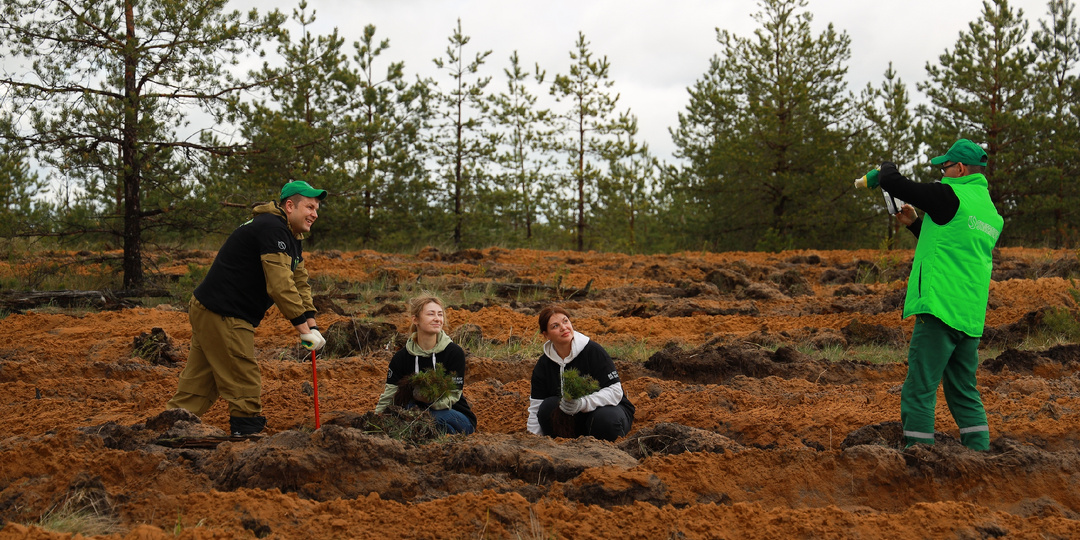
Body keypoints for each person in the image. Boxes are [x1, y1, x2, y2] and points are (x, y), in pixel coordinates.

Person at [166, 180, 328, 436]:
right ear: (289, 206)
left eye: (317, 209)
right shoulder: (272, 229)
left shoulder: (291, 236)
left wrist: (313, 325)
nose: (314, 214)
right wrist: (302, 329)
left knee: (200, 385)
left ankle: (167, 430)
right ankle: (247, 438)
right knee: (243, 378)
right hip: (225, 312)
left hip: (210, 308)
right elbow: (280, 285)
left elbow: (299, 282)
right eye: (309, 207)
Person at [875, 138, 1003, 451]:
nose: (941, 173)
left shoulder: (950, 193)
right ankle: (980, 454)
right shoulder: (988, 211)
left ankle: (918, 459)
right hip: (969, 316)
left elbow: (893, 182)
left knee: (920, 388)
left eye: (944, 167)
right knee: (964, 391)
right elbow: (955, 245)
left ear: (959, 168)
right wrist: (915, 225)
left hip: (940, 309)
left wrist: (883, 168)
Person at [527, 306, 634, 441]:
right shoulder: (543, 365)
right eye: (555, 326)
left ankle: (607, 450)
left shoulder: (593, 352)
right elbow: (536, 407)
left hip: (608, 411)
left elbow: (615, 392)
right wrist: (533, 441)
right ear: (546, 335)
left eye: (566, 321)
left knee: (605, 418)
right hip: (575, 420)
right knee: (548, 407)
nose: (563, 328)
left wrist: (582, 403)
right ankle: (565, 446)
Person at [374, 294, 477, 434]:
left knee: (427, 418)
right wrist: (376, 421)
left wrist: (424, 404)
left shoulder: (454, 353)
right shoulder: (401, 357)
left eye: (440, 314)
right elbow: (389, 394)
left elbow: (453, 395)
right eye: (431, 314)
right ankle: (437, 436)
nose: (437, 319)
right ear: (415, 319)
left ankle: (441, 434)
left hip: (455, 414)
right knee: (405, 416)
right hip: (415, 412)